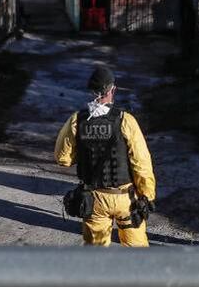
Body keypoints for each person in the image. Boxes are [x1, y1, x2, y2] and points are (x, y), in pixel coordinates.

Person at [55, 66, 156, 247]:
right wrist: (147, 195)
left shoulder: (77, 119)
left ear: (91, 91)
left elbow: (63, 159)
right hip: (126, 199)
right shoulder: (126, 120)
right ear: (112, 89)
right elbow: (141, 163)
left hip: (93, 199)